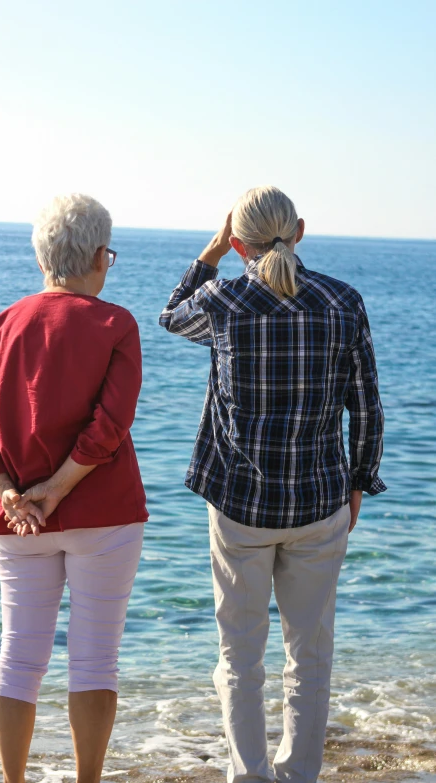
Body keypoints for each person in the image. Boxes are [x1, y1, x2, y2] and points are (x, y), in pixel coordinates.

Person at [159, 185, 386, 783]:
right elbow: (366, 407)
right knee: (308, 658)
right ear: (301, 230)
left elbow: (168, 315)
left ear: (238, 244)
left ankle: (250, 777)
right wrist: (360, 478)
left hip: (240, 506)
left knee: (240, 658)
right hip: (321, 500)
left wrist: (209, 253)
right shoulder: (345, 302)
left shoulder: (223, 300)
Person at [0, 193, 148, 783]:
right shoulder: (115, 324)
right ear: (97, 256)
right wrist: (58, 489)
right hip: (104, 514)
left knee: (18, 658)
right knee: (94, 661)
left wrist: (10, 492)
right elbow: (109, 427)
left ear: (43, 258)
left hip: (17, 520)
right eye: (108, 256)